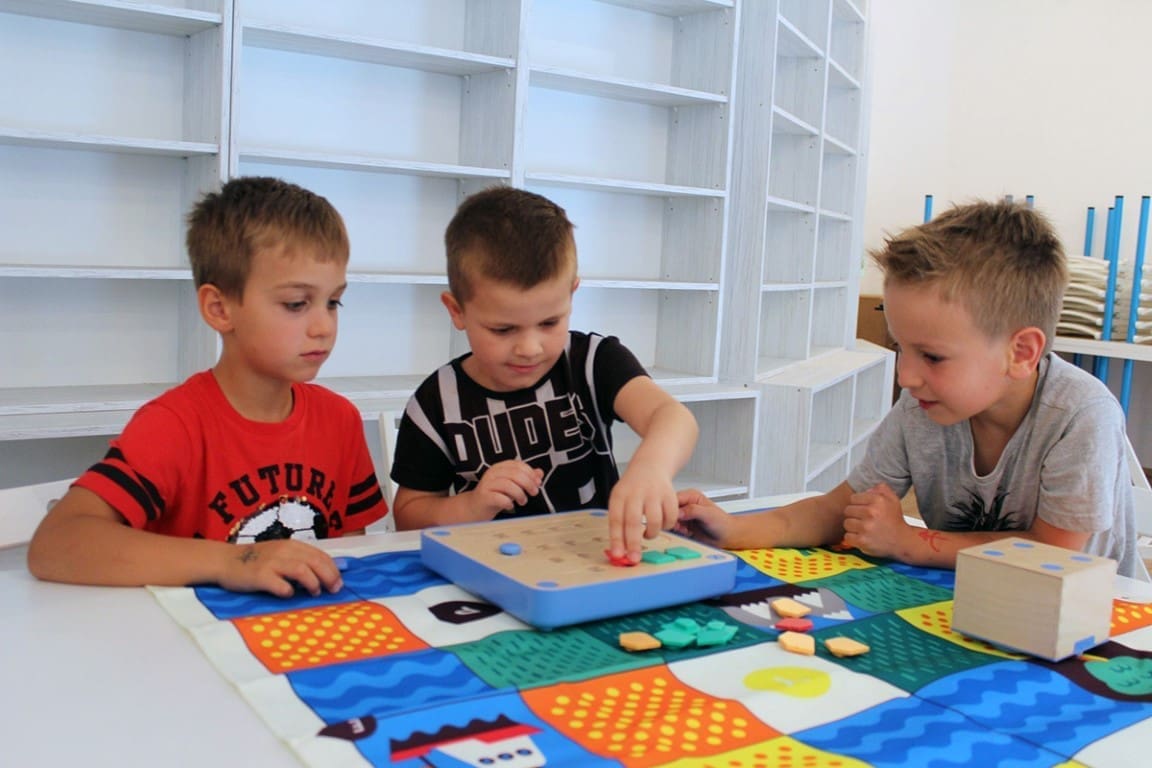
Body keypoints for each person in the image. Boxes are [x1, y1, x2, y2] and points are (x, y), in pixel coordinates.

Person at [678, 199, 1150, 581]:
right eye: (899, 348)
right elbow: (836, 510)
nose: (906, 376)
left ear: (1021, 352)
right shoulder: (921, 408)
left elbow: (1055, 555)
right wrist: (734, 529)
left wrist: (910, 543)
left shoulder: (1081, 415)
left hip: (1095, 626)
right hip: (969, 603)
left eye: (932, 357)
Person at [27, 177, 389, 596]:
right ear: (219, 309)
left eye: (333, 302)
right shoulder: (173, 426)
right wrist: (235, 562)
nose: (324, 326)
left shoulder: (340, 420)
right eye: (296, 304)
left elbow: (346, 558)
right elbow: (55, 544)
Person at [389, 185, 699, 563]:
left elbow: (672, 417)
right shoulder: (435, 402)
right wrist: (472, 505)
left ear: (572, 294)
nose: (529, 348)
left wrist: (651, 468)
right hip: (493, 572)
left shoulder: (594, 360)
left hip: (599, 563)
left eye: (550, 322)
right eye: (503, 329)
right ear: (457, 311)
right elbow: (408, 517)